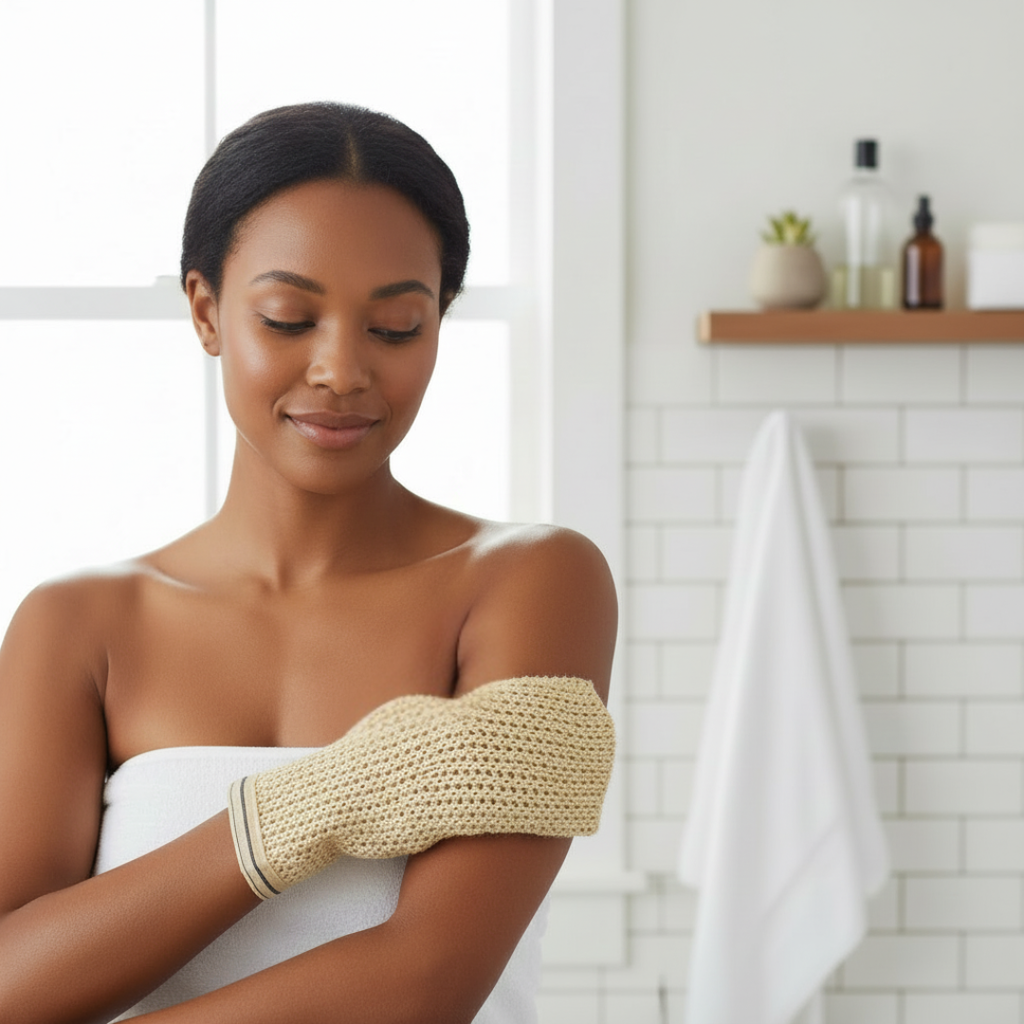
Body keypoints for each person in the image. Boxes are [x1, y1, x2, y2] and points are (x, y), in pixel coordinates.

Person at [0, 102, 616, 1023]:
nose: (341, 369)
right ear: (206, 311)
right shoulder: (78, 624)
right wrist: (308, 809)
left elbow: (424, 983)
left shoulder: (531, 581)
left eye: (396, 327)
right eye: (288, 318)